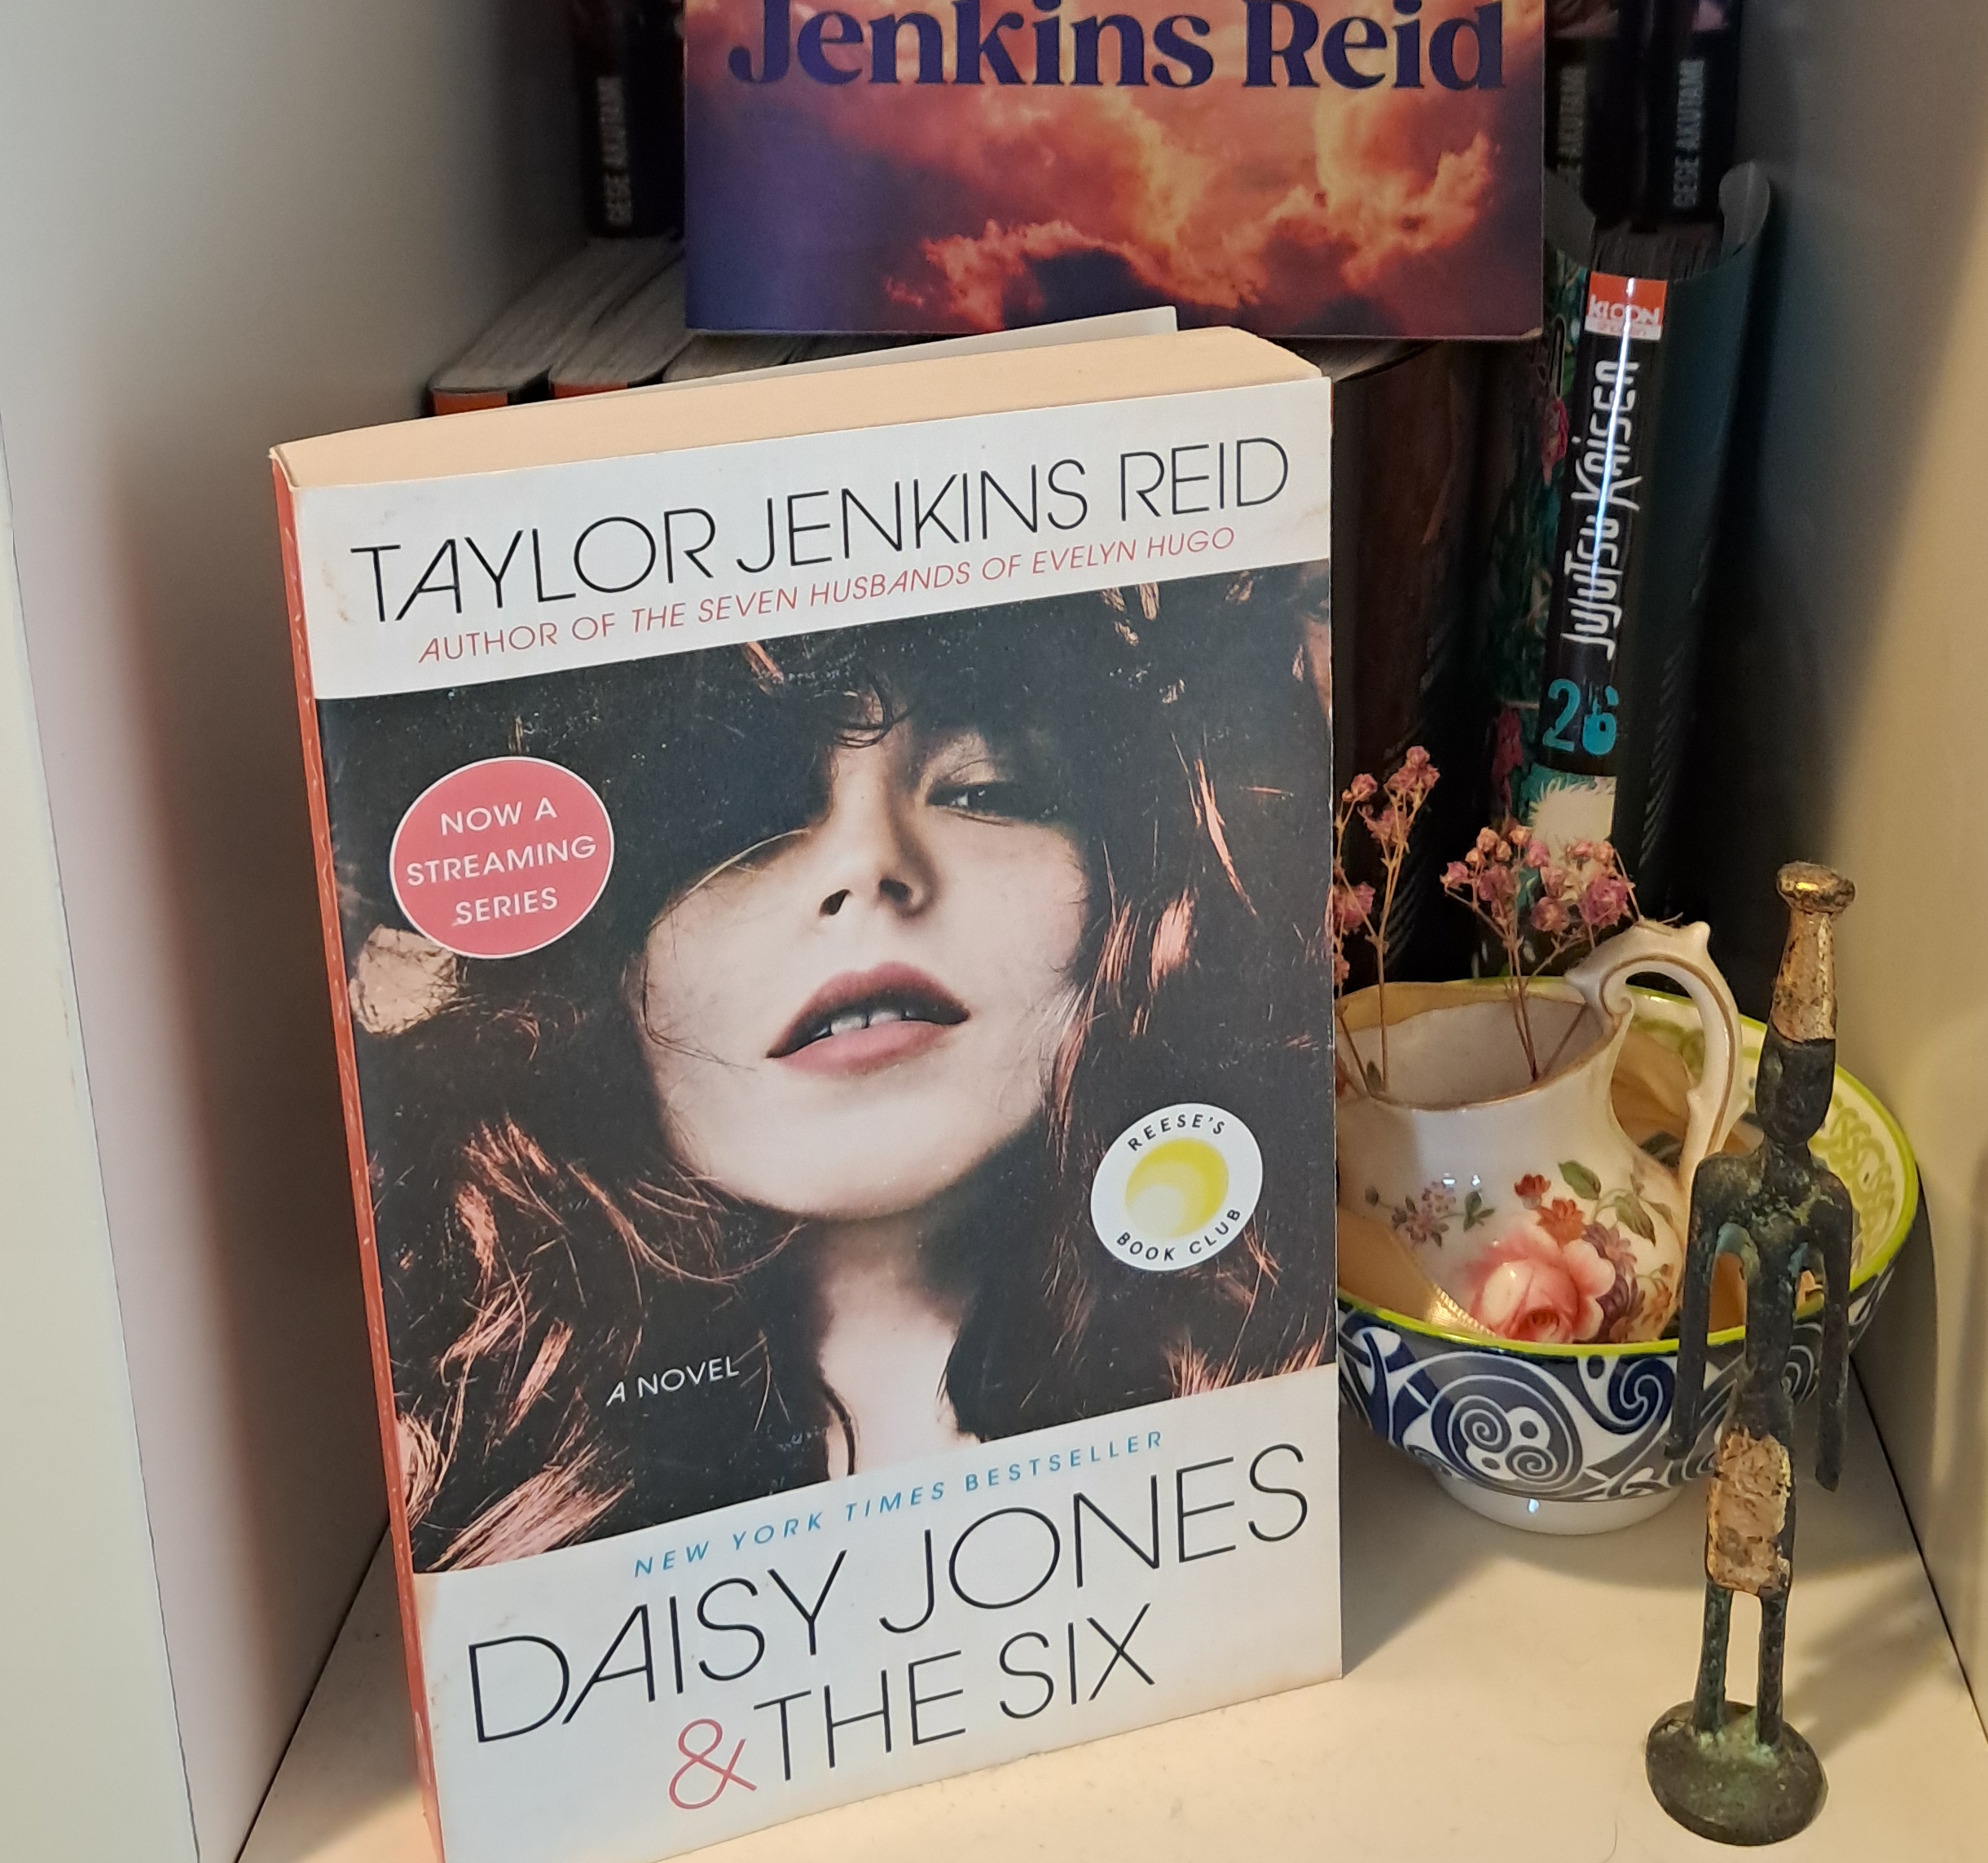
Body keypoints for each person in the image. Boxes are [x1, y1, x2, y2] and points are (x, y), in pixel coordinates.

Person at [324, 572, 1333, 1569]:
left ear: (1135, 887)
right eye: (737, 823)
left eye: (987, 791)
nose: (866, 863)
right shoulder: (444, 1475)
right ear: (582, 976)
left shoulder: (1278, 1393)